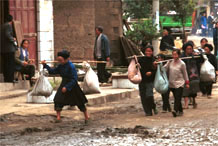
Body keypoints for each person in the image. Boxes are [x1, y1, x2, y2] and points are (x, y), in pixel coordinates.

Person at [41, 50, 90, 123]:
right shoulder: (61, 66)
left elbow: (74, 78)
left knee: (80, 101)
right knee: (58, 99)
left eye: (61, 60)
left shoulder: (71, 66)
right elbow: (53, 71)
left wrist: (67, 87)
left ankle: (86, 116)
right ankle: (58, 117)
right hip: (64, 83)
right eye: (58, 60)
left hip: (73, 85)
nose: (59, 61)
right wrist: (45, 65)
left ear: (66, 59)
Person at [164, 49, 189, 117]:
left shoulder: (182, 64)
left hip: (180, 83)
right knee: (176, 97)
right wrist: (161, 64)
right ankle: (180, 110)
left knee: (178, 97)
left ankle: (175, 110)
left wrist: (187, 82)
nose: (174, 56)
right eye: (173, 54)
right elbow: (164, 69)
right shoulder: (170, 62)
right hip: (171, 83)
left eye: (176, 54)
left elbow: (185, 74)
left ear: (179, 55)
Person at [181, 43, 203, 109]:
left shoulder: (195, 56)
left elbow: (201, 60)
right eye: (188, 49)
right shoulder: (182, 57)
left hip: (193, 75)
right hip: (185, 75)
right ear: (185, 50)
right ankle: (186, 104)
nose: (189, 50)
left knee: (193, 89)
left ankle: (193, 100)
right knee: (185, 89)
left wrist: (200, 55)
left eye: (191, 49)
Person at [138, 45, 157, 116]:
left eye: (150, 51)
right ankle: (147, 111)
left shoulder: (154, 60)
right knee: (143, 96)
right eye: (147, 51)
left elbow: (157, 71)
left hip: (150, 80)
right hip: (142, 80)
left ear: (152, 52)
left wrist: (151, 72)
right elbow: (138, 69)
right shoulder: (141, 60)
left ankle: (153, 106)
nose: (148, 52)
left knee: (149, 95)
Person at [0, 14, 17, 82]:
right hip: (9, 49)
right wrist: (13, 39)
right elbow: (7, 35)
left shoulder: (1, 26)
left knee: (5, 64)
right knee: (10, 64)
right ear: (11, 20)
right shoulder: (8, 25)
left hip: (3, 49)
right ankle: (10, 79)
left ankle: (6, 78)